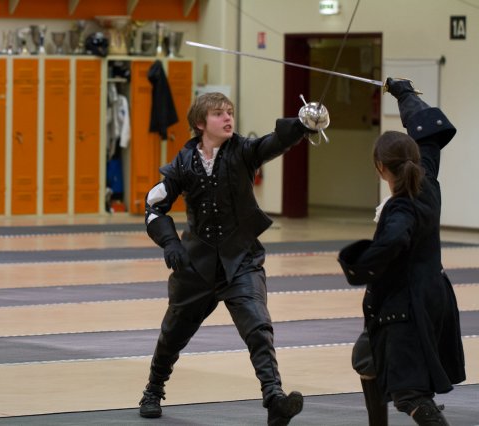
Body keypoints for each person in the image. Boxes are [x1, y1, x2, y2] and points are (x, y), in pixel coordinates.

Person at [138, 92, 315, 425]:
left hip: (241, 259)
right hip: (196, 265)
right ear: (200, 123)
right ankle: (152, 390)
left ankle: (274, 399)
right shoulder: (182, 162)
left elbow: (274, 142)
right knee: (172, 334)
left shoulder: (244, 150)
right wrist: (170, 242)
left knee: (258, 327)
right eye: (219, 113)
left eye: (230, 112)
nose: (228, 118)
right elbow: (153, 206)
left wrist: (303, 124)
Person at [338, 78, 465, 426]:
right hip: (433, 296)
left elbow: (394, 240)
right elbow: (428, 130)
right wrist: (404, 93)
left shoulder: (401, 207)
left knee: (410, 393)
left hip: (406, 306)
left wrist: (358, 263)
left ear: (380, 168)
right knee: (367, 358)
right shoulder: (427, 180)